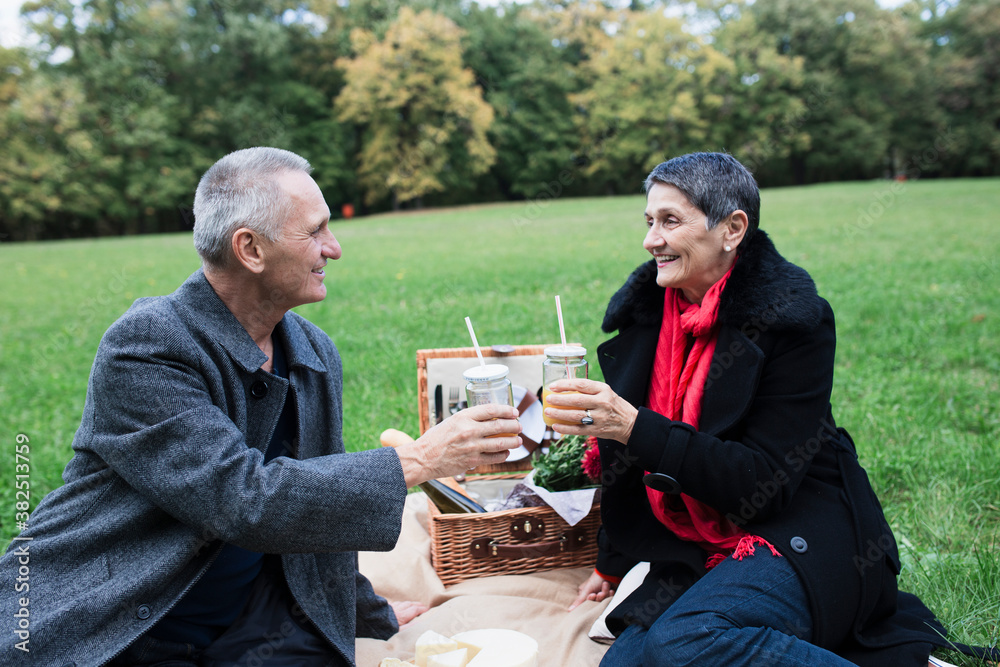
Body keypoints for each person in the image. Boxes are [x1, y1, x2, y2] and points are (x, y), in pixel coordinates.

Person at [0, 147, 522, 666]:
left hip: (252, 615)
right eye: (314, 231)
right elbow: (240, 499)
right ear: (250, 249)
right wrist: (421, 459)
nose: (334, 248)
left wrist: (367, 613)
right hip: (129, 617)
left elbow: (318, 508)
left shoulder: (312, 351)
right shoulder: (146, 347)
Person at [546, 153, 986, 666]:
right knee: (625, 663)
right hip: (696, 539)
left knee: (683, 642)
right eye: (649, 221)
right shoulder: (649, 316)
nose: (650, 240)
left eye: (670, 221)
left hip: (800, 526)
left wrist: (634, 426)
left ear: (732, 229)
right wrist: (611, 562)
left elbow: (764, 485)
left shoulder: (792, 321)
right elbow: (627, 465)